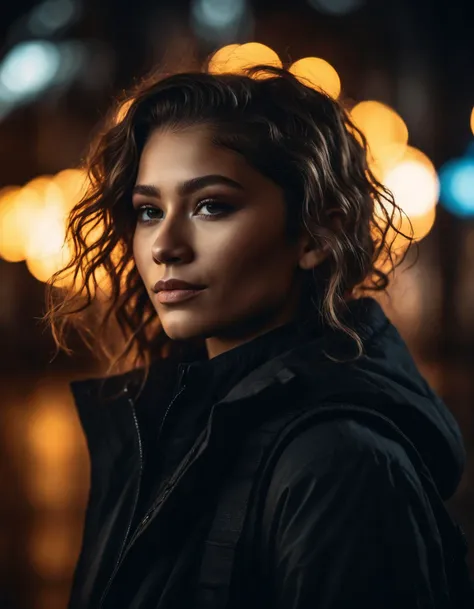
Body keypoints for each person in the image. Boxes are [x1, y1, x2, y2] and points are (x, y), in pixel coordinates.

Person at [47, 64, 471, 609]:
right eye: (149, 211)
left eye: (211, 206)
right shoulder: (175, 424)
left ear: (317, 233)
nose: (163, 245)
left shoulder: (339, 464)